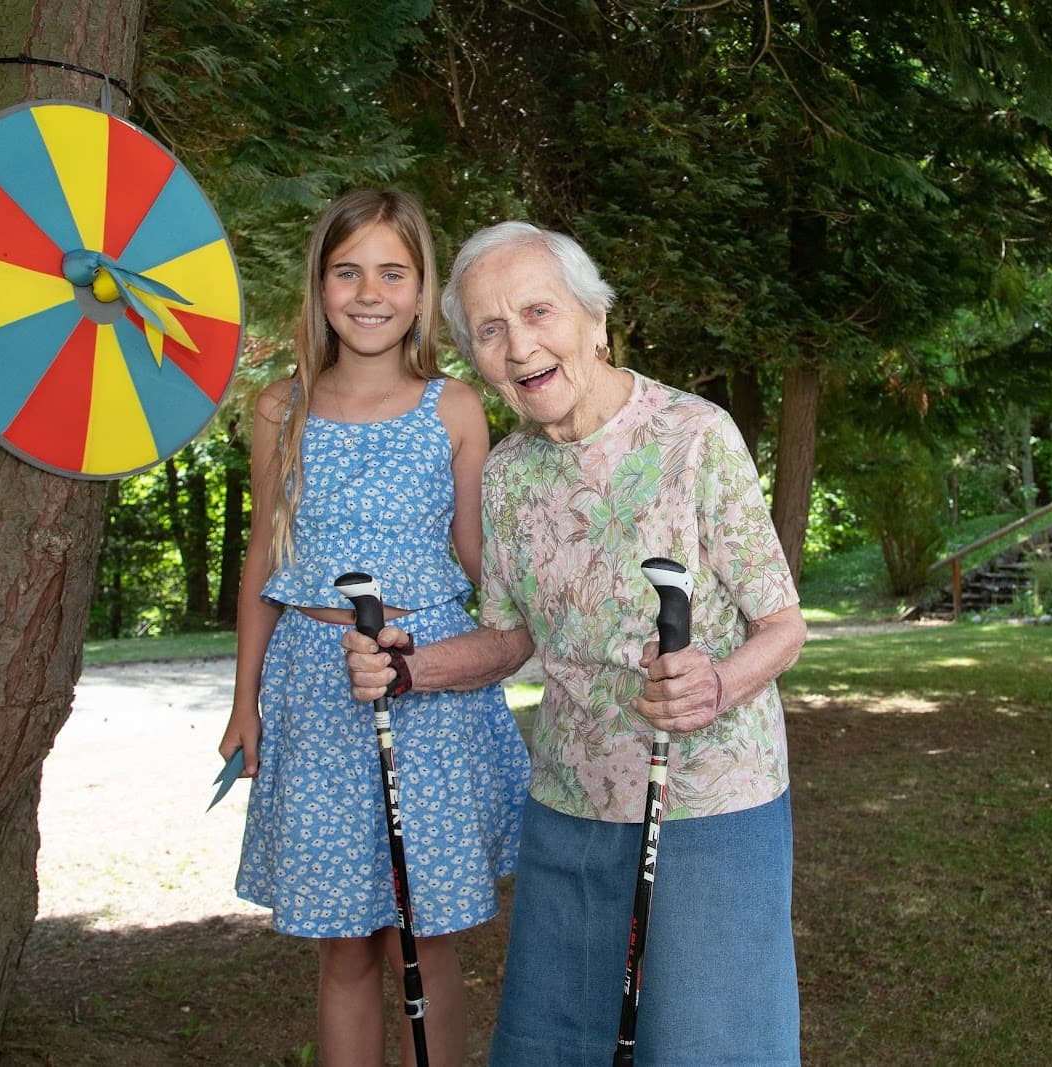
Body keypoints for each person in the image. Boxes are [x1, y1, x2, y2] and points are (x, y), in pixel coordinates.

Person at [343, 220, 808, 1066]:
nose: (519, 346)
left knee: (710, 1045)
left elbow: (783, 624)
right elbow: (513, 636)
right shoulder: (510, 475)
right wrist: (409, 669)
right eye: (490, 330)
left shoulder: (695, 436)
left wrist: (718, 683)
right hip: (567, 809)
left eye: (537, 312)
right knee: (555, 1048)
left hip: (706, 803)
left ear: (593, 319)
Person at [219, 189, 530, 1067]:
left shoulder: (455, 407)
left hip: (425, 682)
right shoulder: (280, 409)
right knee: (344, 941)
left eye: (393, 272)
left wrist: (547, 620)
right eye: (347, 271)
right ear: (319, 285)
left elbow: (480, 560)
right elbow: (262, 566)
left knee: (422, 935)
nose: (369, 292)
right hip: (315, 687)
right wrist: (245, 703)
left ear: (422, 288)